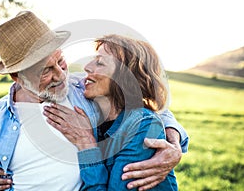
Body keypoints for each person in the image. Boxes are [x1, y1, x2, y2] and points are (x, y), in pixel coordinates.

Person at [0, 11, 187, 191]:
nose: (62, 75)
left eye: (60, 61)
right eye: (46, 71)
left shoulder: (85, 87)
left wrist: (173, 144)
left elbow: (146, 106)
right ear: (18, 77)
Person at [43, 34, 180, 190]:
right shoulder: (91, 111)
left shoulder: (141, 125)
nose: (86, 67)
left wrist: (86, 145)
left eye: (99, 63)